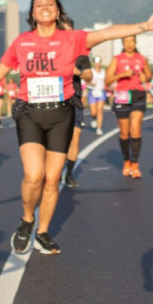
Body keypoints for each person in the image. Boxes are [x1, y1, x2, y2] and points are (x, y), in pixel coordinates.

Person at [0, 0, 153, 255]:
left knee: (52, 179)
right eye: (39, 4)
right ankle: (27, 220)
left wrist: (144, 27)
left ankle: (43, 231)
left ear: (58, 11)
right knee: (34, 175)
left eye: (51, 4)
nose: (45, 7)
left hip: (61, 115)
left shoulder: (73, 39)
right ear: (33, 13)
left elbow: (109, 32)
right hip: (30, 114)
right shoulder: (21, 42)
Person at [107, 36, 152, 177]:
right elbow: (108, 79)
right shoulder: (117, 59)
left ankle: (135, 164)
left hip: (138, 95)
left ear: (136, 42)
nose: (129, 44)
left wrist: (146, 77)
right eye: (126, 41)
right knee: (124, 133)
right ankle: (126, 160)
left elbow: (149, 75)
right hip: (122, 96)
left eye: (132, 41)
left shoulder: (141, 58)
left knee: (136, 130)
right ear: (122, 43)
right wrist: (122, 75)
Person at [62, 17, 93, 189]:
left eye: (68, 31)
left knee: (75, 138)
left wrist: (78, 72)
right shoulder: (51, 53)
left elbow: (89, 76)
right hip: (55, 101)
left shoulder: (81, 55)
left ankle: (69, 174)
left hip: (74, 100)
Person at [87, 57, 107, 133]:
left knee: (99, 110)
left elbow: (106, 80)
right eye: (96, 62)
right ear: (94, 63)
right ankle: (94, 118)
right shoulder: (91, 71)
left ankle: (99, 128)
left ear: (100, 63)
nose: (97, 64)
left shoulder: (103, 71)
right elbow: (86, 81)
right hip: (92, 92)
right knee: (93, 112)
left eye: (98, 62)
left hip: (101, 92)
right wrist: (90, 83)